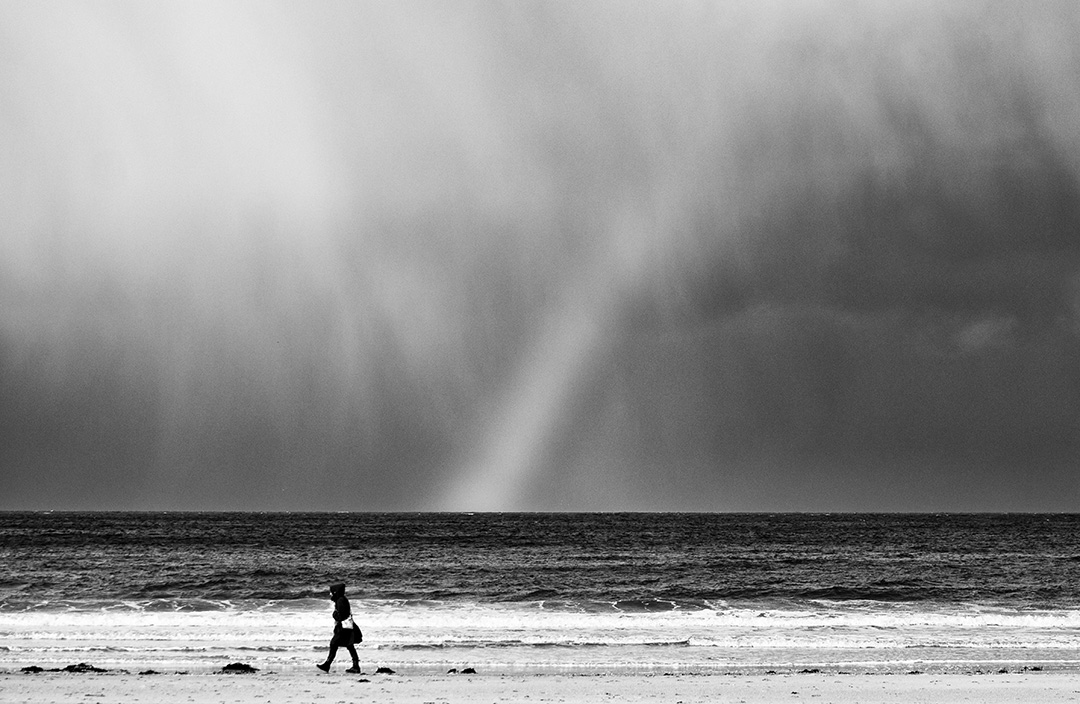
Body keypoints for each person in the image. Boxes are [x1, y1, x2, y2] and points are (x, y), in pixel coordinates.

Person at [316, 582, 362, 673]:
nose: (330, 594)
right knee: (349, 645)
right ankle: (355, 665)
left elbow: (342, 615)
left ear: (335, 592)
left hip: (343, 627)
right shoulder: (342, 599)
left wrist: (334, 615)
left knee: (334, 643)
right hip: (347, 626)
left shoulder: (340, 600)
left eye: (331, 592)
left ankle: (327, 664)